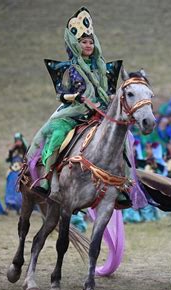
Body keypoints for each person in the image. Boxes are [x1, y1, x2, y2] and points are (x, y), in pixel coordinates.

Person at [27, 7, 111, 202]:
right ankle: (47, 178)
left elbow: (108, 91)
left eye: (90, 42)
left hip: (100, 112)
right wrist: (79, 97)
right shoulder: (70, 69)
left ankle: (123, 183)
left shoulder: (102, 67)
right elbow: (62, 96)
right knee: (57, 136)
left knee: (123, 137)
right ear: (76, 44)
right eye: (84, 42)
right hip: (73, 114)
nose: (88, 45)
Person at [5, 133, 28, 213]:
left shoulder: (25, 150)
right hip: (12, 172)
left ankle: (22, 206)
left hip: (21, 172)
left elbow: (27, 159)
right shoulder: (13, 150)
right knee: (11, 188)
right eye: (16, 140)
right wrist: (11, 150)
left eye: (19, 140)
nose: (17, 142)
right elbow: (8, 159)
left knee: (21, 189)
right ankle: (11, 205)